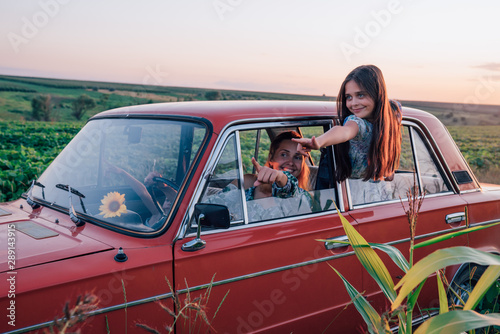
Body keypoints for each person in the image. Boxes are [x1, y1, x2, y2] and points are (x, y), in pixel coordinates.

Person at [293, 65, 402, 204]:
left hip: (353, 200)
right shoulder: (390, 117)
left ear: (377, 94)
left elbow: (345, 131)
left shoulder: (366, 123)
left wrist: (319, 142)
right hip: (380, 199)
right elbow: (344, 131)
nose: (353, 103)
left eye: (360, 95)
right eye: (348, 97)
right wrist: (320, 141)